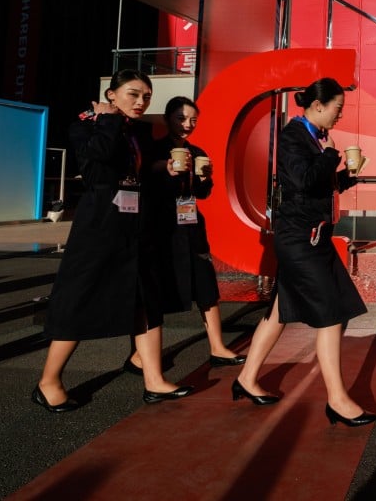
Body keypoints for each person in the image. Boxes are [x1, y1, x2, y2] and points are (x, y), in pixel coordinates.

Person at [34, 70, 193, 412]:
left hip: (137, 227)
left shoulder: (139, 133)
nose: (141, 102)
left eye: (146, 97)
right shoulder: (87, 125)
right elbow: (98, 166)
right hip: (99, 227)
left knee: (146, 299)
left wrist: (162, 168)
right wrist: (106, 122)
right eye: (133, 94)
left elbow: (139, 173)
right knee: (79, 299)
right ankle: (48, 381)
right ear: (111, 95)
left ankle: (154, 380)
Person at [233, 78, 376, 426]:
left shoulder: (314, 137)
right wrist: (330, 156)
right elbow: (302, 179)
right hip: (301, 239)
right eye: (337, 109)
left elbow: (317, 187)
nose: (339, 116)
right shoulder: (294, 135)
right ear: (317, 105)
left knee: (279, 311)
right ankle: (337, 400)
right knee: (330, 313)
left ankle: (246, 378)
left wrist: (347, 176)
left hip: (312, 237)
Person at [124, 96, 245, 376]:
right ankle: (139, 355)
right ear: (167, 119)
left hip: (190, 226)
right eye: (181, 118)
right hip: (160, 229)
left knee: (205, 284)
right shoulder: (153, 151)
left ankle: (217, 347)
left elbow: (202, 193)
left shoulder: (196, 151)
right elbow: (147, 187)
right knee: (152, 293)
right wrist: (165, 171)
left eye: (192, 120)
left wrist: (204, 178)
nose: (187, 125)